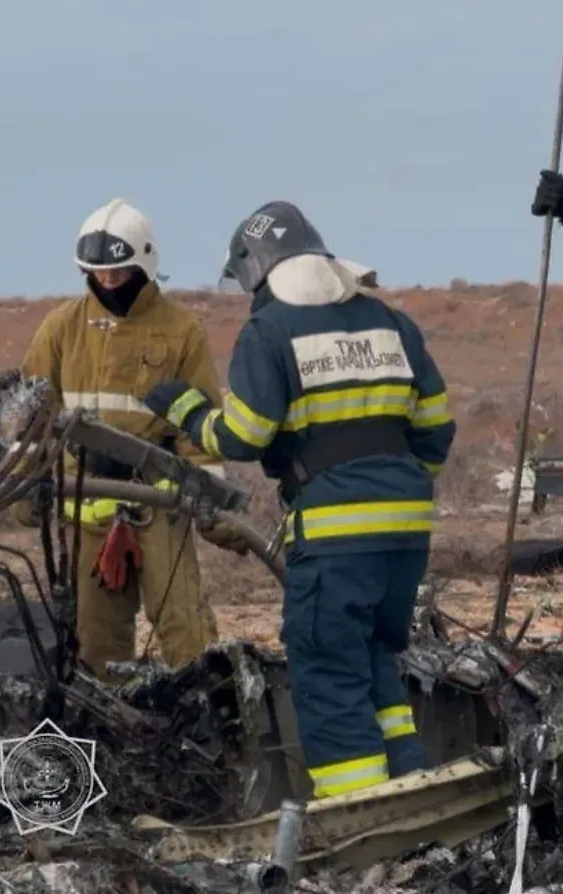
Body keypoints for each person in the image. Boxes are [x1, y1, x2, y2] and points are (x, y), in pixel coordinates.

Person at [142, 200, 456, 799]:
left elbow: (243, 434)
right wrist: (398, 493)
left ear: (256, 270)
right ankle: (412, 780)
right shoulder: (390, 322)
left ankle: (358, 811)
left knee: (328, 668)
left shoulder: (271, 330)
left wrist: (185, 408)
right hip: (407, 531)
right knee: (372, 655)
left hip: (336, 533)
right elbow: (436, 429)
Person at [20, 198, 248, 676]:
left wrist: (213, 511)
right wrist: (27, 485)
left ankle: (210, 728)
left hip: (158, 507)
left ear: (143, 266)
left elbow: (198, 425)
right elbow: (31, 417)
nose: (107, 283)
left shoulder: (179, 330)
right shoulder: (62, 329)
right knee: (94, 651)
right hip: (84, 512)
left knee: (189, 638)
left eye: (118, 274)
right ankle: (113, 740)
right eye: (98, 274)